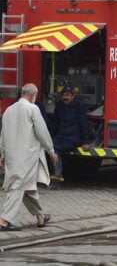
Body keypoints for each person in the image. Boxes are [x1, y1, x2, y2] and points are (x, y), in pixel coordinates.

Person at [0, 83, 58, 230]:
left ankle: (40, 217)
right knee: (18, 186)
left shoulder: (9, 110)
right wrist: (51, 150)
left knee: (27, 187)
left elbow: (3, 134)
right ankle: (4, 220)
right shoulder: (32, 109)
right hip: (27, 155)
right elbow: (42, 132)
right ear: (33, 95)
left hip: (12, 156)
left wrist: (2, 153)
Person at [50, 86, 93, 186]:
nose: (65, 97)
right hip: (60, 136)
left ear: (73, 96)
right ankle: (57, 175)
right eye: (64, 95)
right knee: (51, 149)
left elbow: (83, 124)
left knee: (56, 149)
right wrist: (50, 137)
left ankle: (57, 176)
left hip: (73, 138)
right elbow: (55, 123)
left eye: (68, 95)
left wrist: (85, 141)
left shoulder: (79, 106)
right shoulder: (59, 106)